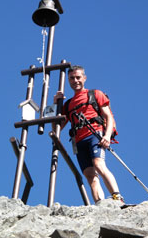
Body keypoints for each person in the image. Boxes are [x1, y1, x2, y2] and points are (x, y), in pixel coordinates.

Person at [53, 65, 124, 204]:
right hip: (79, 141)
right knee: (90, 175)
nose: (75, 81)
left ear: (84, 78)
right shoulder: (67, 105)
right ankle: (100, 204)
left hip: (94, 134)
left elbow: (108, 116)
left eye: (78, 77)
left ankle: (117, 197)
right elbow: (57, 128)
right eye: (72, 78)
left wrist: (107, 136)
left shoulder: (95, 94)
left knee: (98, 164)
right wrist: (56, 105)